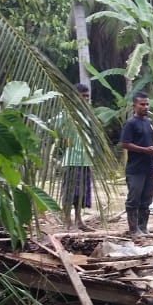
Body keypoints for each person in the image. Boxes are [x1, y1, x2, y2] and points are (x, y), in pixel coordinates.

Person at [118, 92, 153, 236]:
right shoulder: (130, 123)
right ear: (134, 106)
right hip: (135, 168)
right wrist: (145, 150)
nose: (145, 107)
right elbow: (125, 144)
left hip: (149, 166)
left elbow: (148, 143)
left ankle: (143, 227)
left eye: (147, 104)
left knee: (147, 199)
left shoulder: (148, 123)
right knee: (134, 198)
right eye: (142, 104)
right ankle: (133, 229)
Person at [59, 83, 93, 232]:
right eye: (83, 96)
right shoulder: (68, 113)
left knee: (81, 194)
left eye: (87, 96)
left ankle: (79, 220)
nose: (85, 99)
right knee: (70, 192)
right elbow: (56, 125)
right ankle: (67, 221)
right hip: (72, 159)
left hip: (86, 159)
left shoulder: (87, 115)